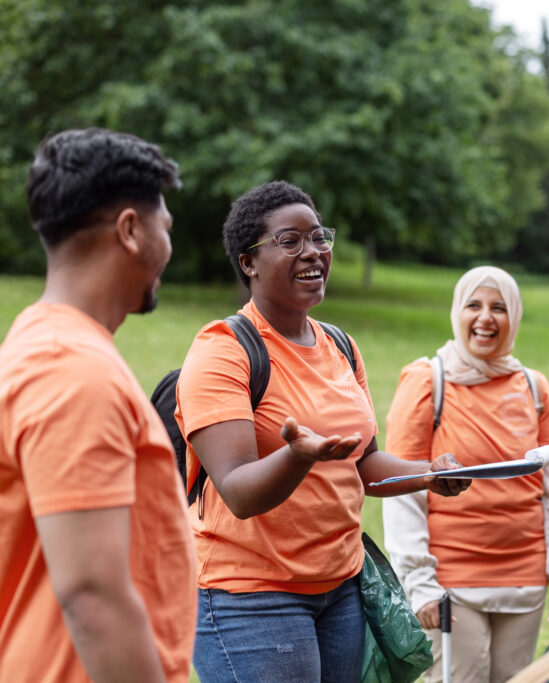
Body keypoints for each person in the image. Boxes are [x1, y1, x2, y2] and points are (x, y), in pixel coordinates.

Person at [174, 180, 470, 683]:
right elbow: (240, 491)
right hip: (251, 600)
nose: (313, 252)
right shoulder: (223, 350)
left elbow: (365, 466)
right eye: (290, 241)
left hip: (341, 591)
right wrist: (299, 456)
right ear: (249, 262)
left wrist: (428, 474)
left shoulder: (340, 345)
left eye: (319, 237)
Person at [0, 128, 196, 682]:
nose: (169, 245)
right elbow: (93, 598)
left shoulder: (48, 347)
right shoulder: (71, 371)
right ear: (131, 230)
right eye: (167, 227)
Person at [383, 265, 549, 683]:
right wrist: (419, 583)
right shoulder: (426, 381)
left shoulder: (534, 387)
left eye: (499, 307)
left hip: (525, 588)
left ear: (515, 317)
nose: (486, 317)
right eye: (474, 304)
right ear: (457, 312)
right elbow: (403, 489)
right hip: (451, 586)